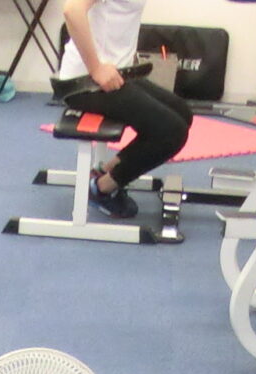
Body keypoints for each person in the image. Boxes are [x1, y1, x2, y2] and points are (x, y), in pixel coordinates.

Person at [55, 0, 193, 221]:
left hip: (118, 75)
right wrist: (96, 68)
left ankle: (105, 171)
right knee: (172, 133)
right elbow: (72, 10)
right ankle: (101, 188)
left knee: (182, 113)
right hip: (87, 83)